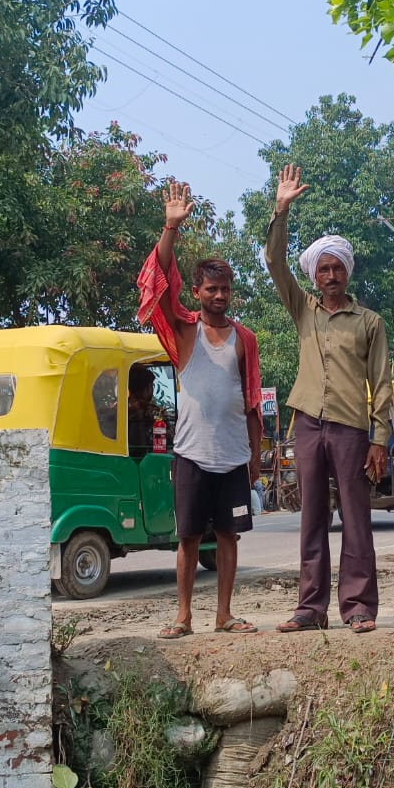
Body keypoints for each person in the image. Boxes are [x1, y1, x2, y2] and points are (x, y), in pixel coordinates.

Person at [263, 164, 393, 634]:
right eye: (324, 268)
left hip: (351, 427)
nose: (331, 274)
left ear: (346, 272)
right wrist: (281, 209)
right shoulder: (304, 310)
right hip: (308, 424)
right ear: (315, 276)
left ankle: (359, 607)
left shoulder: (369, 322)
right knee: (311, 515)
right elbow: (274, 263)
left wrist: (379, 439)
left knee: (356, 517)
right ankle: (309, 609)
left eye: (337, 267)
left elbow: (381, 383)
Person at [137, 180, 263, 638]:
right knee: (189, 538)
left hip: (233, 455)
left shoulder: (245, 339)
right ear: (197, 290)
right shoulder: (182, 330)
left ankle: (224, 615)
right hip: (190, 453)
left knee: (229, 537)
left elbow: (251, 401)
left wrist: (256, 455)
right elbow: (159, 279)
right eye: (211, 289)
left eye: (225, 289)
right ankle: (183, 617)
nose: (219, 296)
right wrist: (170, 227)